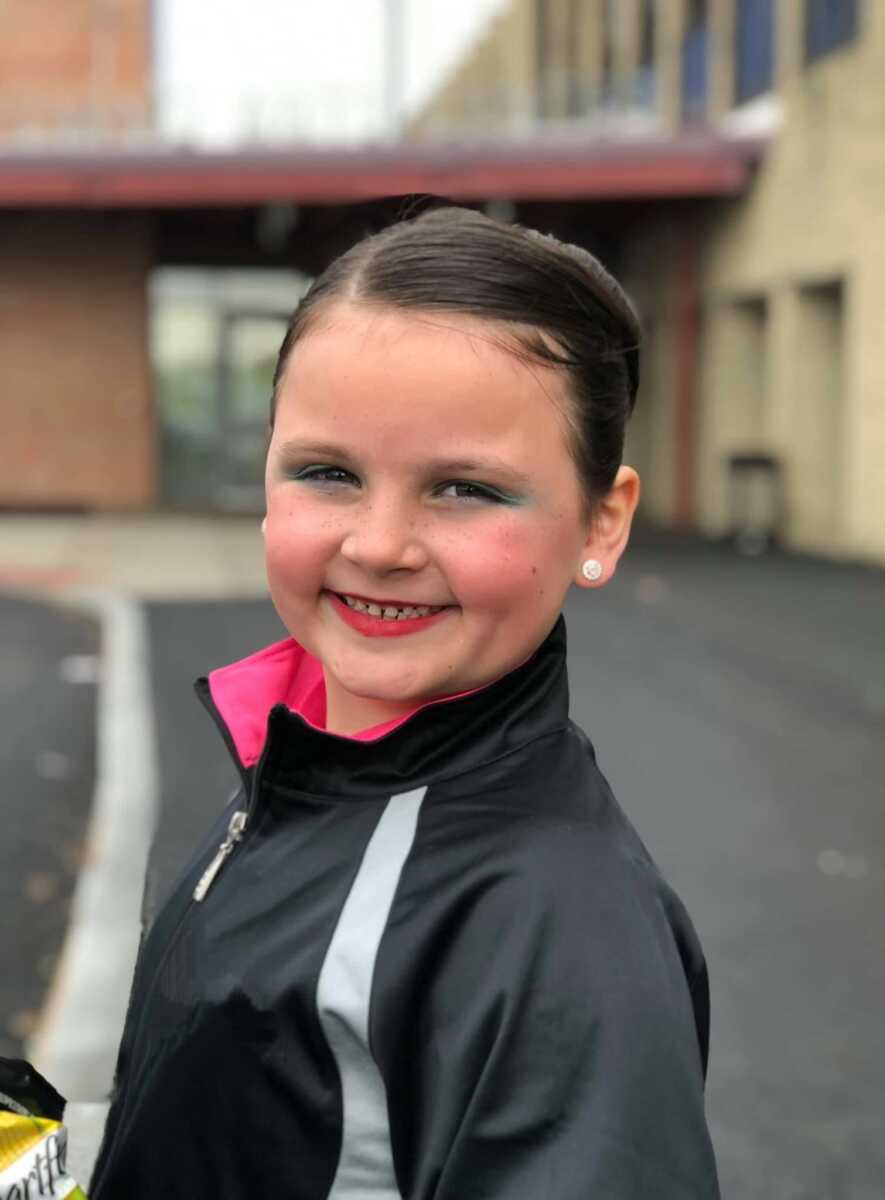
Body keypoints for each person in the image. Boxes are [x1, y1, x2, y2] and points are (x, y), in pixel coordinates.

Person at [90, 206, 720, 1198]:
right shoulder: (306, 761)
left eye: (464, 488)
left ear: (603, 519)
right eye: (327, 472)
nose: (381, 544)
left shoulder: (555, 933)